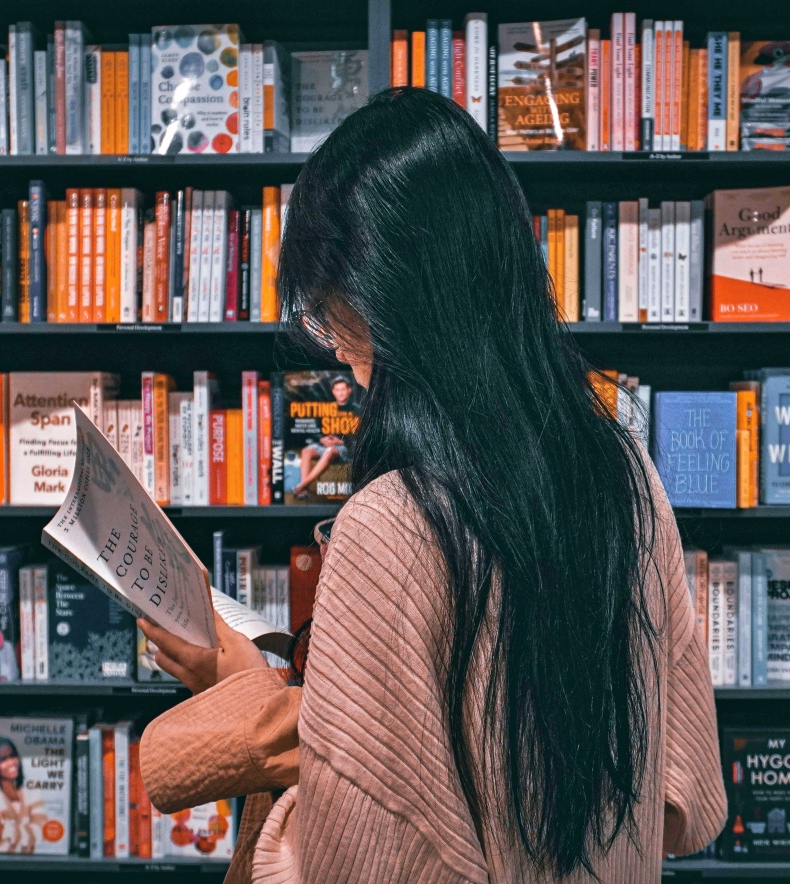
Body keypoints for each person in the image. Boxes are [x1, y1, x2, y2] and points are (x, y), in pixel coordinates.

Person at [138, 87, 726, 883]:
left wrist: (244, 692)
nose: (334, 345)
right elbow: (681, 794)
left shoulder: (391, 526)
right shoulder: (625, 476)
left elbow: (352, 864)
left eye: (329, 309)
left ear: (390, 299)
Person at [292, 375, 361, 500]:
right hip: (326, 445)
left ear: (349, 390)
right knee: (306, 451)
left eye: (343, 390)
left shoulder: (357, 410)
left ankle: (301, 486)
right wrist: (322, 439)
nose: (340, 393)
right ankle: (304, 491)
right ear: (333, 392)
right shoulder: (328, 408)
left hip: (344, 449)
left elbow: (360, 437)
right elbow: (316, 429)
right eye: (337, 390)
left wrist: (341, 441)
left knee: (330, 451)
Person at [0, 735, 44, 853]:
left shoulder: (32, 790)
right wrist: (25, 830)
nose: (11, 763)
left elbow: (40, 833)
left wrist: (5, 830)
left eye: (13, 756)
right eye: (3, 759)